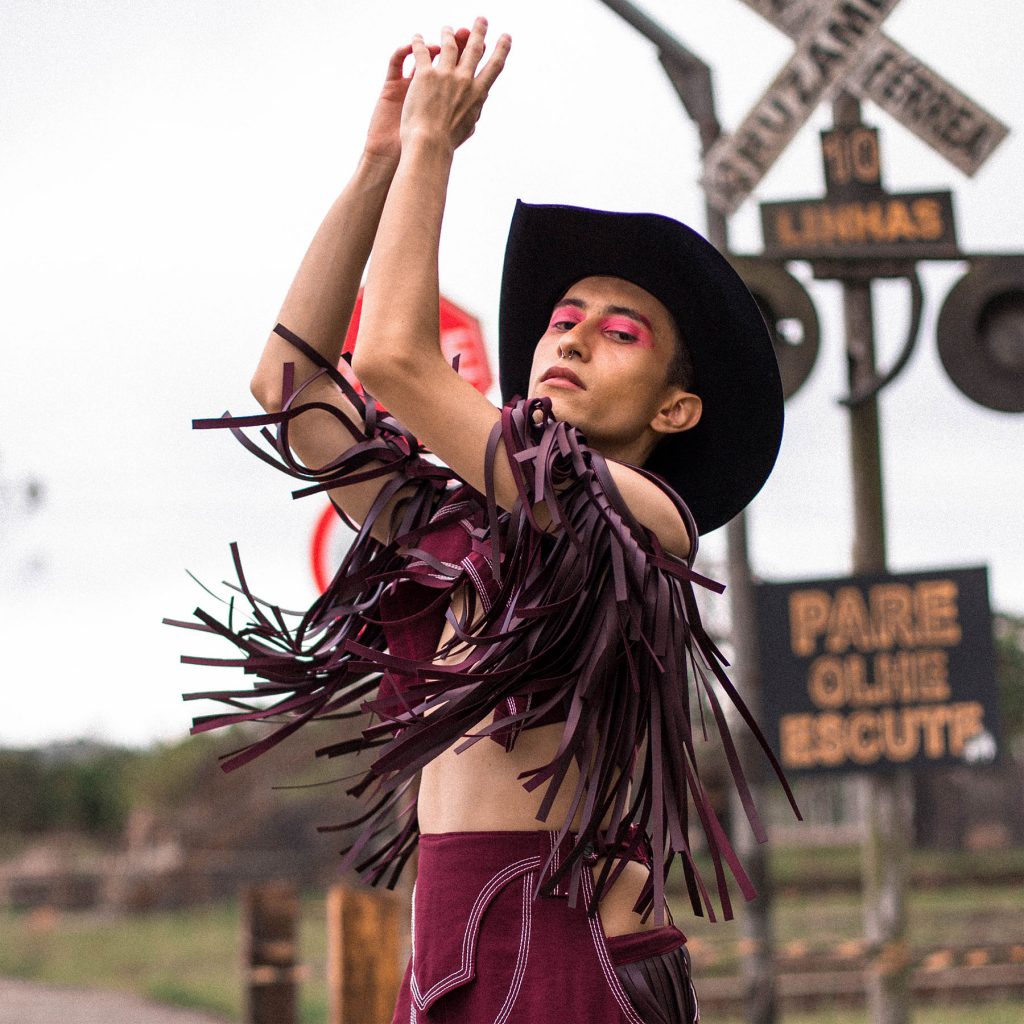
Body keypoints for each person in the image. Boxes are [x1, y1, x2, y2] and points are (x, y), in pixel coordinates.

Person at [170, 18, 798, 1024]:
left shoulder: (646, 520)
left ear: (677, 410)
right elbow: (289, 388)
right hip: (449, 952)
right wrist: (379, 163)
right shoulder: (466, 529)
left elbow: (393, 361)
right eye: (562, 320)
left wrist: (433, 144)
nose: (573, 339)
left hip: (564, 953)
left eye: (620, 332)